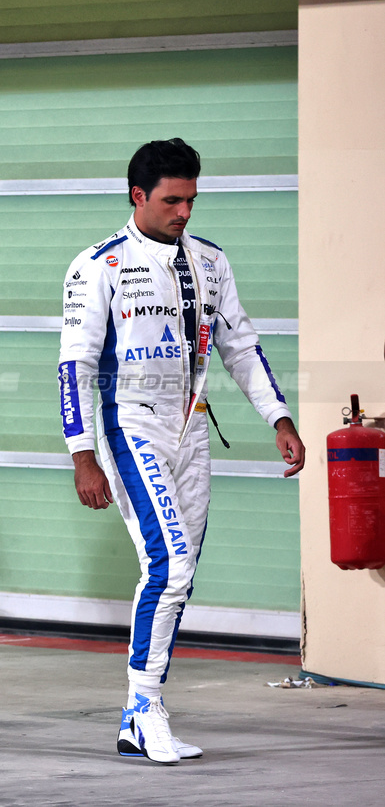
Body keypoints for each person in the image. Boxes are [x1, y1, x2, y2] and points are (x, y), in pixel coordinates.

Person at [57, 138, 305, 764]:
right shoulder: (97, 266)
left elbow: (242, 348)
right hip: (129, 425)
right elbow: (75, 367)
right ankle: (144, 709)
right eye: (172, 200)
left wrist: (279, 418)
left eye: (192, 199)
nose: (185, 212)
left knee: (180, 576)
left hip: (191, 430)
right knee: (170, 565)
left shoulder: (211, 263)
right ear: (137, 196)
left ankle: (140, 716)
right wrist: (82, 453)